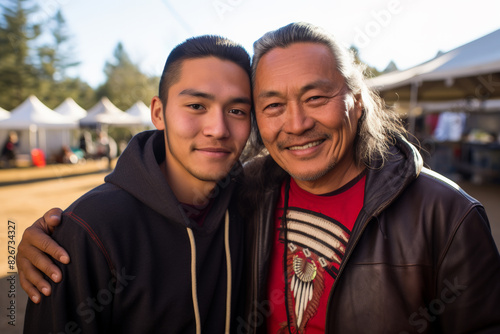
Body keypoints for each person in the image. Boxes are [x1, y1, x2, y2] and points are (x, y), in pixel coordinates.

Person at [18, 23, 500, 333]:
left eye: (316, 98)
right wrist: (61, 236)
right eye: (272, 105)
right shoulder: (243, 195)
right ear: (159, 112)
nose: (295, 124)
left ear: (356, 98)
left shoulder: (446, 216)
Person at [21, 34, 253, 333]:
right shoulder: (89, 230)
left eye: (236, 111)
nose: (218, 129)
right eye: (196, 105)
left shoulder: (255, 204)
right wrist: (72, 235)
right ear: (158, 113)